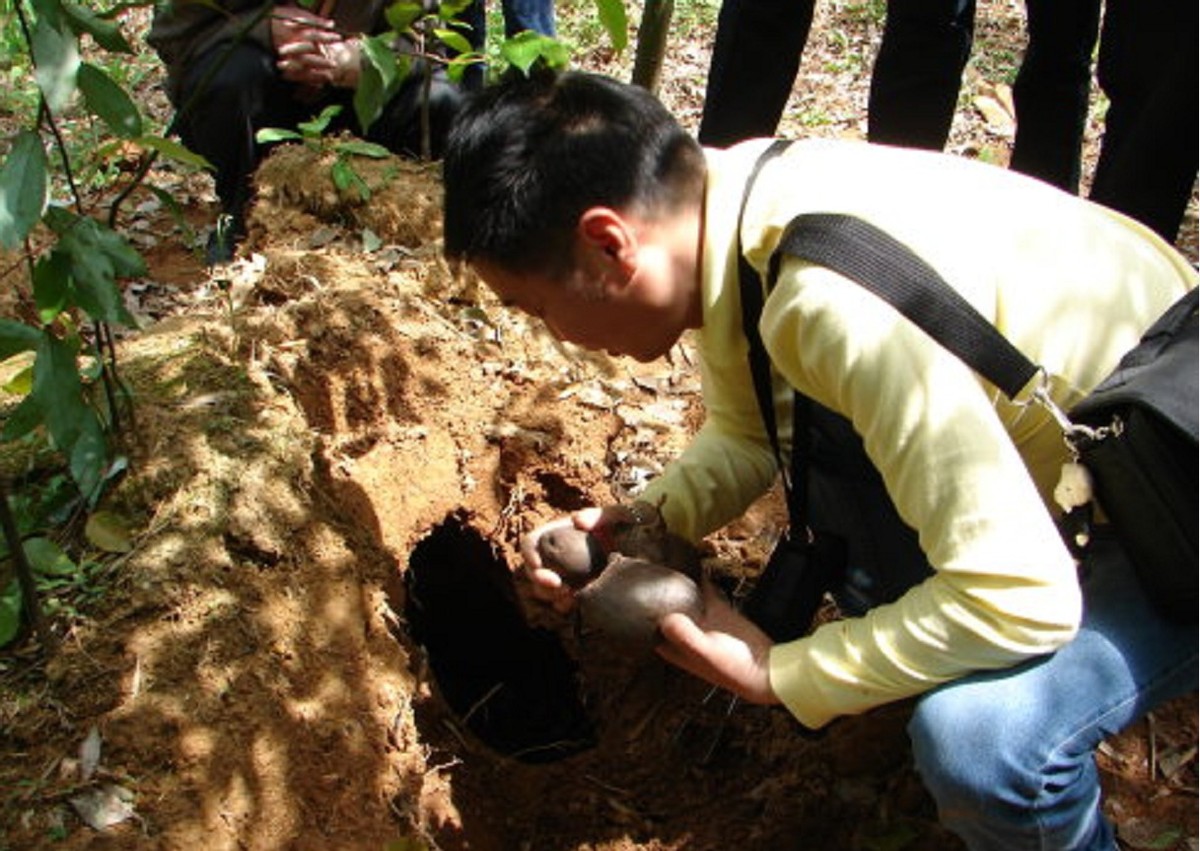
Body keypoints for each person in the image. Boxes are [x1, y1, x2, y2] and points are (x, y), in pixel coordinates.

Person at [441, 70, 1198, 850]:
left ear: (609, 243)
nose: (552, 332)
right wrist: (639, 521)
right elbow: (747, 433)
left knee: (982, 742)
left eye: (536, 308)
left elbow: (1021, 598)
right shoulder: (739, 202)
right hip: (1118, 439)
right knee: (839, 469)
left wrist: (782, 673)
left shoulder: (828, 303)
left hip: (1173, 483)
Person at [147, 0, 465, 265]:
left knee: (443, 100)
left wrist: (364, 59)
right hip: (259, 100)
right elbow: (170, 36)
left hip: (355, 101)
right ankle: (245, 216)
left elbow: (430, 42)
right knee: (232, 80)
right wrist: (261, 29)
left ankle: (407, 219)